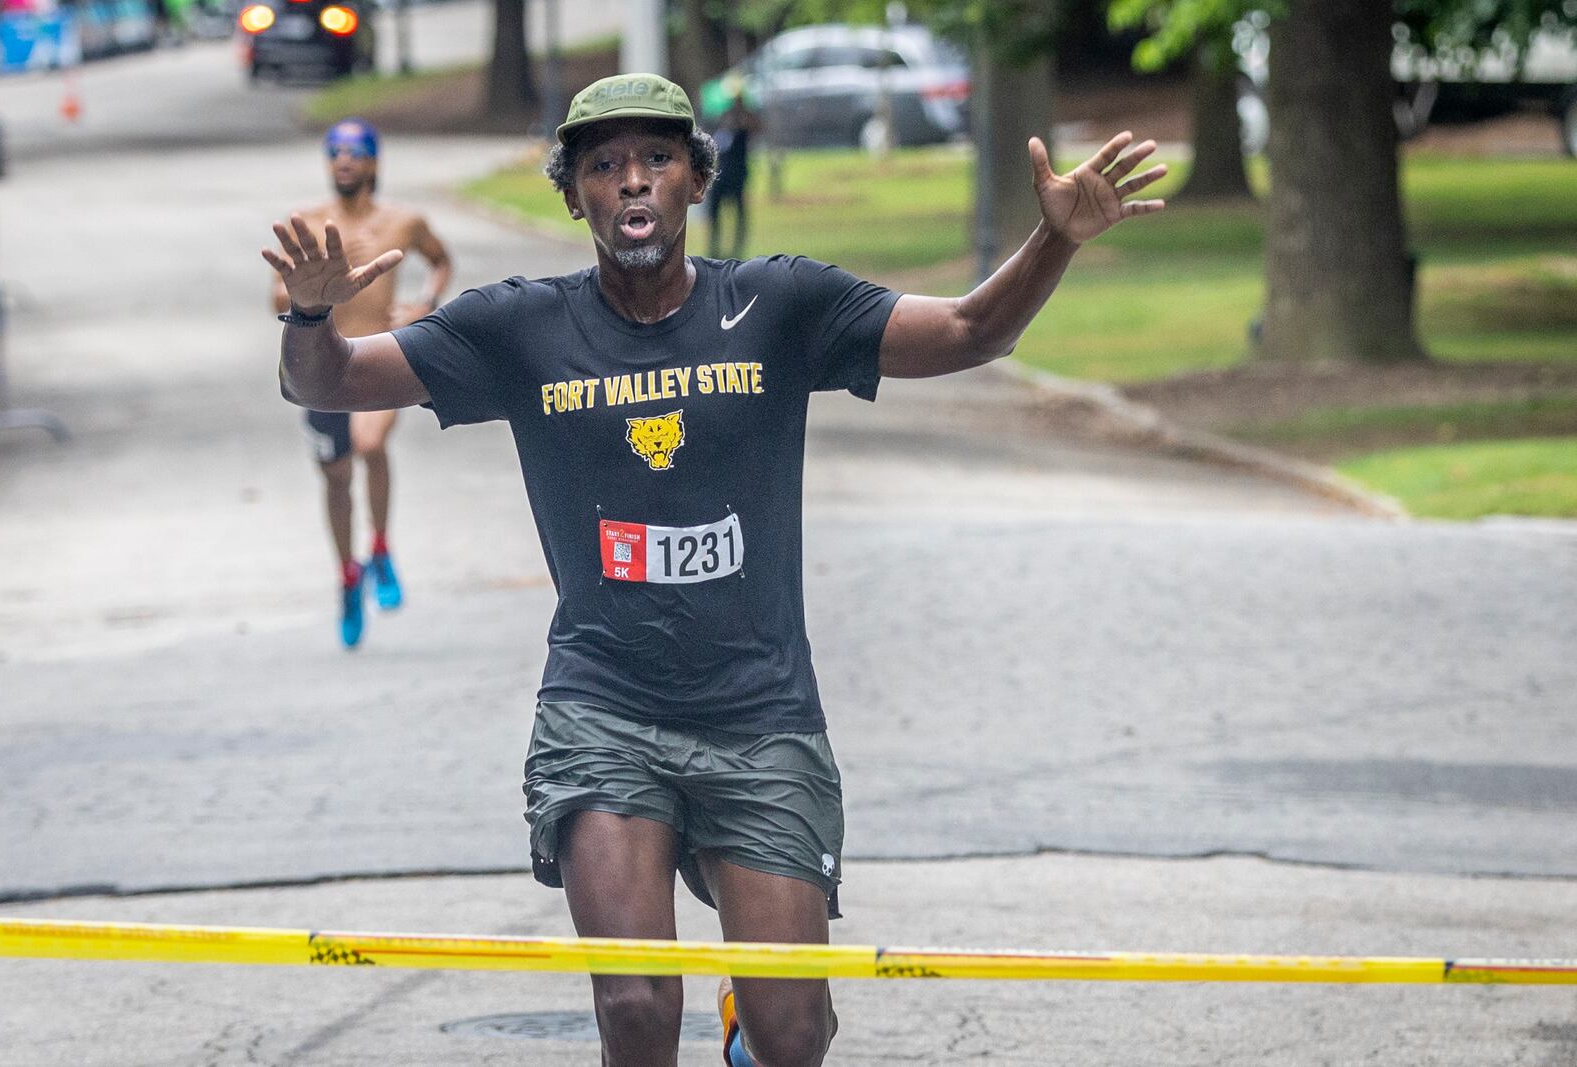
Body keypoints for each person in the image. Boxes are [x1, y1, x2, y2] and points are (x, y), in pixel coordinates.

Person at [264, 74, 1164, 1065]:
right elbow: (335, 382)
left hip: (760, 712)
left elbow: (967, 331)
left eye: (655, 158)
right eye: (603, 165)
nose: (631, 180)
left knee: (791, 1033)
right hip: (603, 709)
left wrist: (1056, 240)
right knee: (638, 1011)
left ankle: (753, 1009)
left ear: (696, 177)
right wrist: (309, 319)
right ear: (574, 196)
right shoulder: (518, 328)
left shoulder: (777, 305)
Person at [272, 118, 452, 648]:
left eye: (354, 152)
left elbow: (440, 261)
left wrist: (423, 302)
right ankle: (348, 576)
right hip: (324, 364)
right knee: (334, 475)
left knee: (369, 445)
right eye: (334, 152)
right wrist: (311, 292)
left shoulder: (404, 221)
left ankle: (379, 547)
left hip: (378, 357)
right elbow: (276, 299)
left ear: (374, 161)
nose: (343, 161)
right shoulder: (307, 223)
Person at [708, 80, 759, 259]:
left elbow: (754, 130)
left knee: (739, 210)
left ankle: (738, 245)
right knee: (715, 210)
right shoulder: (724, 117)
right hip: (722, 172)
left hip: (738, 172)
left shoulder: (747, 118)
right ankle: (714, 243)